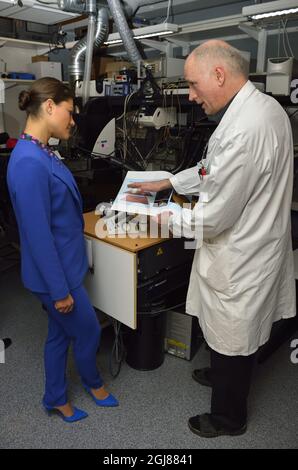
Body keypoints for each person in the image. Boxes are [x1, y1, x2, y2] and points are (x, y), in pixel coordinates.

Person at [129, 40, 296, 437]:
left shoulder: (245, 129)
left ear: (218, 75)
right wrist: (170, 180)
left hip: (242, 255)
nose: (190, 95)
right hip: (256, 243)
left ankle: (228, 417)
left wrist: (159, 214)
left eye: (192, 84)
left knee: (234, 334)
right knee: (230, 333)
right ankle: (224, 376)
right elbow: (211, 170)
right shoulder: (261, 108)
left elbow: (211, 220)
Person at [7, 77, 118, 423]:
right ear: (50, 107)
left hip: (66, 266)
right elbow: (37, 235)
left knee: (59, 335)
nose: (73, 120)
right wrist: (59, 291)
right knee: (88, 331)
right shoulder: (28, 161)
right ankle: (94, 382)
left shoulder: (41, 150)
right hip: (54, 277)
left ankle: (55, 397)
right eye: (70, 112)